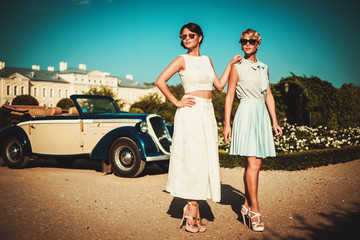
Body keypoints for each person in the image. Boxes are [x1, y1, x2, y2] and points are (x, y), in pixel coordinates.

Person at [155, 22, 241, 233]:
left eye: (191, 35)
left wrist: (230, 63)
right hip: (190, 112)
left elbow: (219, 86)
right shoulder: (181, 60)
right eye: (183, 36)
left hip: (207, 111)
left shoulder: (207, 59)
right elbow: (160, 81)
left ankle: (193, 205)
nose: (187, 39)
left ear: (200, 37)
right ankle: (192, 207)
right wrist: (177, 102)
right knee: (193, 157)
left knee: (204, 157)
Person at [223, 28, 282, 232]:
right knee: (253, 163)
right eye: (243, 41)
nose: (246, 44)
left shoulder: (264, 67)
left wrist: (274, 121)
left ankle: (246, 205)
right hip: (246, 112)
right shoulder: (237, 67)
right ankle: (255, 210)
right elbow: (229, 95)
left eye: (251, 41)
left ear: (258, 44)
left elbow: (269, 95)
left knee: (257, 163)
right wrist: (226, 123)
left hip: (262, 115)